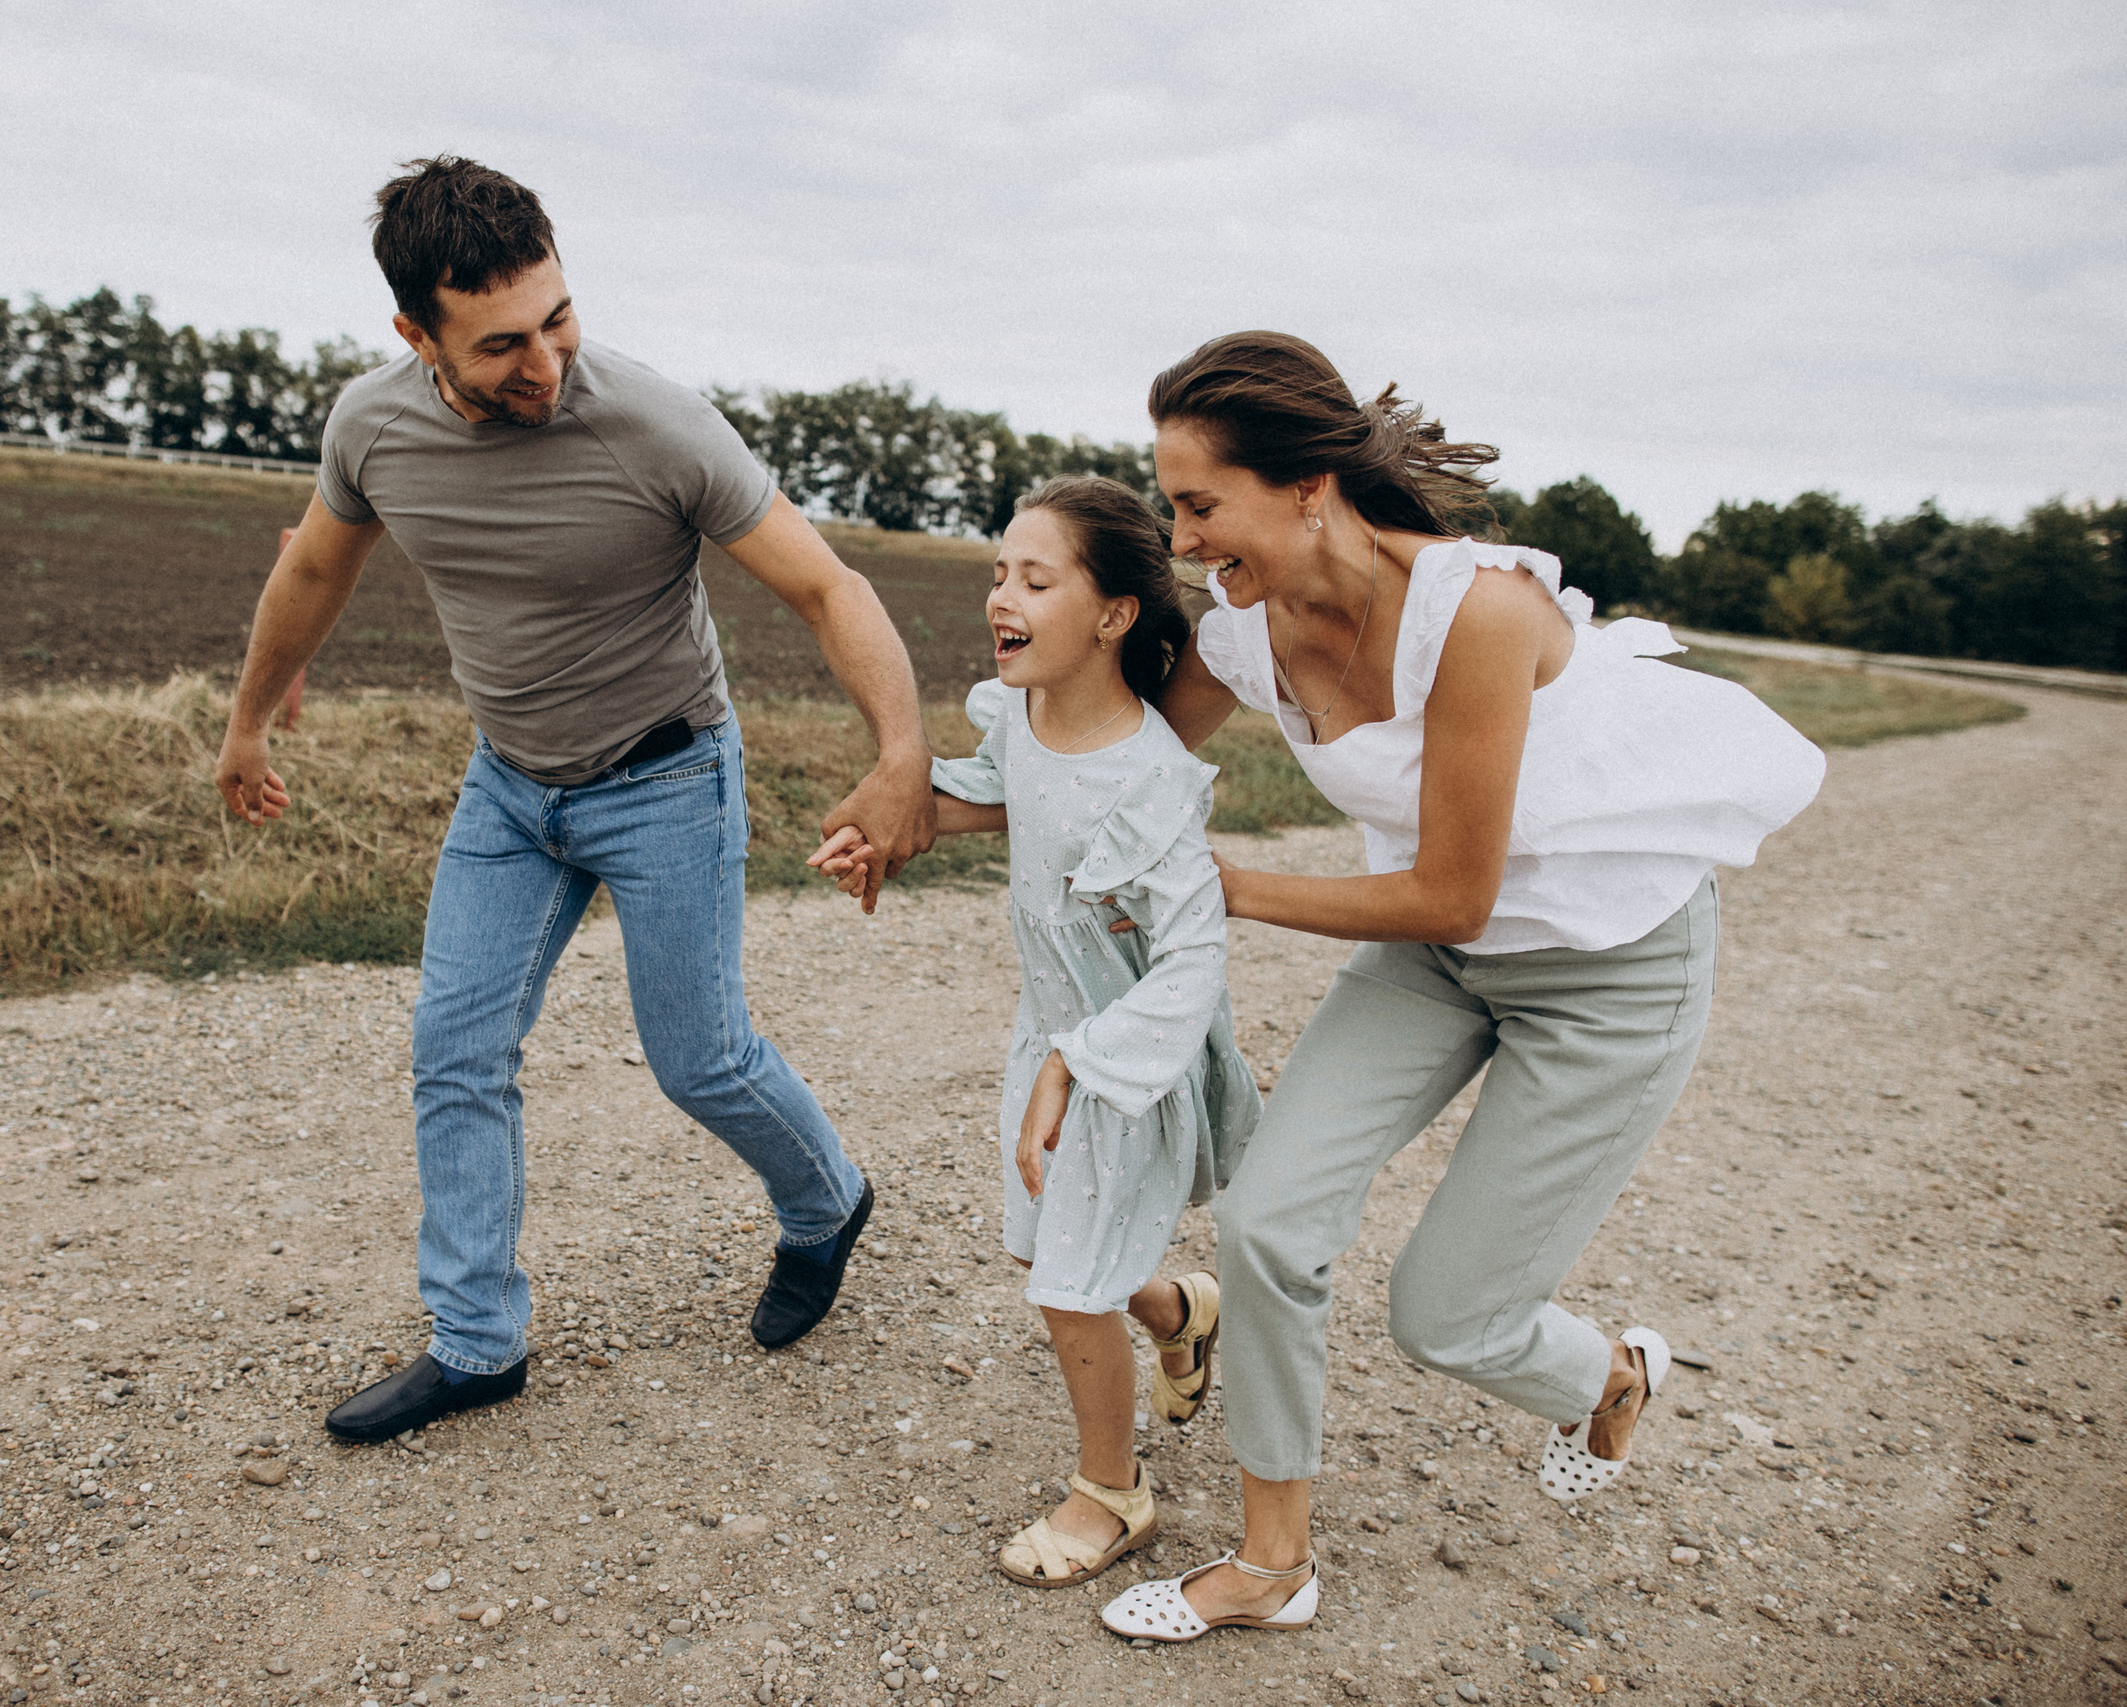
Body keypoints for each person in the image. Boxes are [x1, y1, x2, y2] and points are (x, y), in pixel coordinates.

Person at [1095, 333, 1825, 1644]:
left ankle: (1608, 1376)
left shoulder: (1477, 611)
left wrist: (1226, 886)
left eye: (1200, 503)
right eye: (1170, 506)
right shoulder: (1247, 631)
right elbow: (1123, 755)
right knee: (1264, 1225)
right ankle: (1272, 1564)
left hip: (1606, 971)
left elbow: (1452, 893)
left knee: (1448, 1317)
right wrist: (933, 798)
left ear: (1308, 485)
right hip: (1437, 963)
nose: (1182, 538)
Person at [211, 156, 937, 1444]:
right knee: (455, 1052)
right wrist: (249, 720)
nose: (544, 362)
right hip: (508, 789)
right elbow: (314, 570)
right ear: (416, 337)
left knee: (700, 1060)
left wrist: (899, 756)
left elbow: (829, 588)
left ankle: (826, 1201)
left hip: (668, 778)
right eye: (500, 345)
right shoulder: (372, 427)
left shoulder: (657, 426)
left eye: (557, 319)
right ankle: (476, 1343)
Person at [815, 476, 1262, 1589]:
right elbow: (996, 794)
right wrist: (886, 831)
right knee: (1044, 1246)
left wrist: (1083, 1059)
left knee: (1066, 1285)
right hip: (1048, 1036)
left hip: (1121, 1061)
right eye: (999, 574)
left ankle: (1113, 1493)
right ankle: (1179, 1310)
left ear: (1114, 615)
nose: (1001, 598)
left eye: (1035, 579)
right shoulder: (1024, 715)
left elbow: (1193, 963)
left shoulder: (1154, 780)